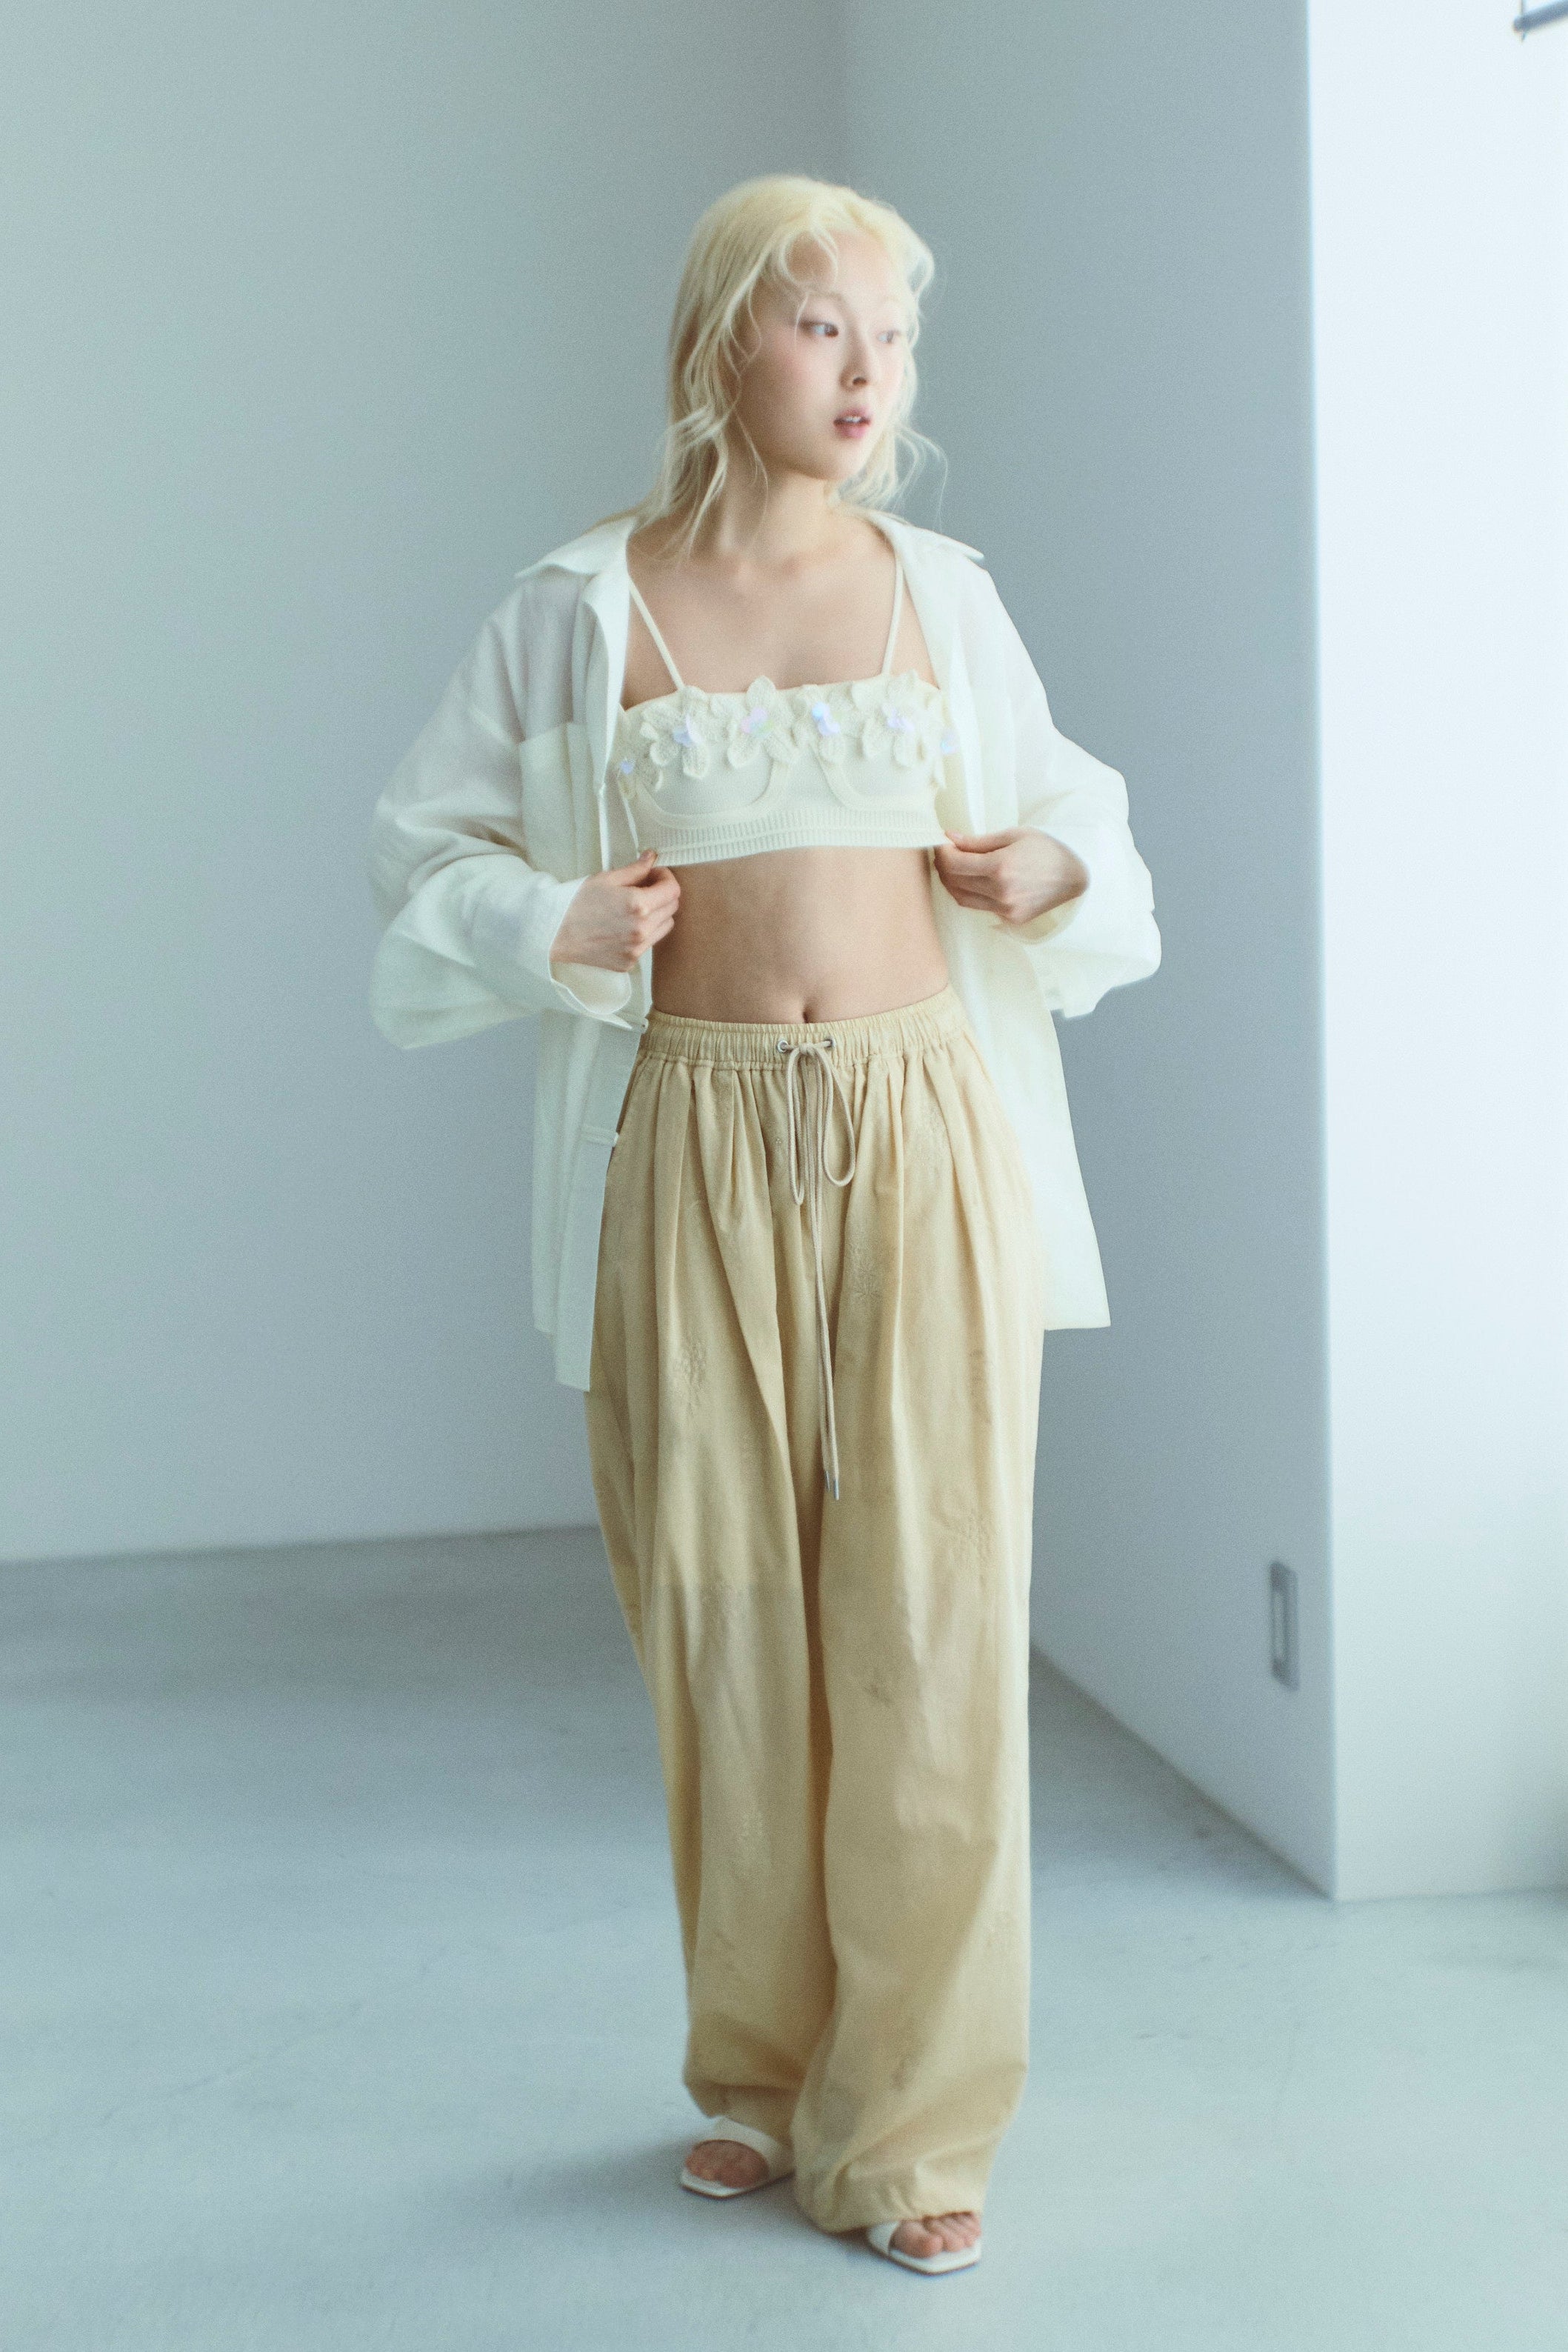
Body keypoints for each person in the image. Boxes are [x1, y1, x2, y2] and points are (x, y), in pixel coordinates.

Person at [366, 173, 1160, 2277]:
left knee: (932, 1611)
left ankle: (908, 2125)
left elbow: (1078, 805)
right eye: (825, 327)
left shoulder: (940, 595)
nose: (869, 372)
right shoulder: (579, 606)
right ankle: (763, 2073)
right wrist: (552, 919)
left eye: (893, 336)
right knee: (719, 1616)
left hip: (921, 1126)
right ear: (726, 336)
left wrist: (1052, 873)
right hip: (685, 1142)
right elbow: (419, 849)